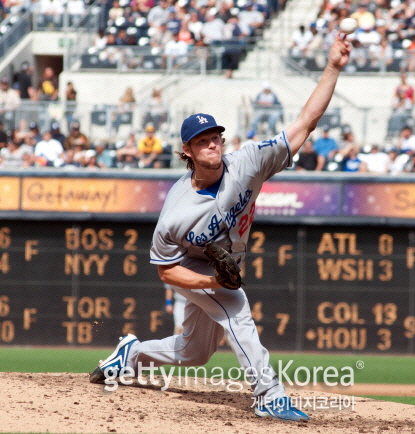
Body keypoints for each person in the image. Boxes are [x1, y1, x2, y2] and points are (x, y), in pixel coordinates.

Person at [89, 33, 352, 423]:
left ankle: (132, 353)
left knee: (194, 352)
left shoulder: (247, 163)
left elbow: (305, 123)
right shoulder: (176, 212)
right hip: (191, 271)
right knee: (236, 310)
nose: (212, 145)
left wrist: (332, 67)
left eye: (215, 138)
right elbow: (166, 270)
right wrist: (213, 282)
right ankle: (268, 394)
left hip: (222, 265)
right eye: (202, 141)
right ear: (187, 152)